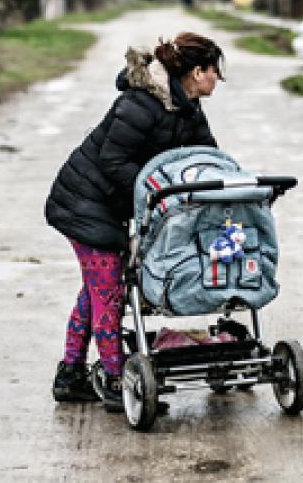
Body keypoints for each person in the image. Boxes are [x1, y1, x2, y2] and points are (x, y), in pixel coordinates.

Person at [44, 33, 225, 411]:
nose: (217, 80)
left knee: (96, 289)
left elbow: (207, 155)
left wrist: (224, 184)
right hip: (84, 202)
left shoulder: (188, 107)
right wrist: (154, 196)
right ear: (196, 72)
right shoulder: (140, 103)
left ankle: (70, 376)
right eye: (214, 72)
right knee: (108, 290)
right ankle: (115, 380)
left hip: (109, 207)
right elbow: (113, 160)